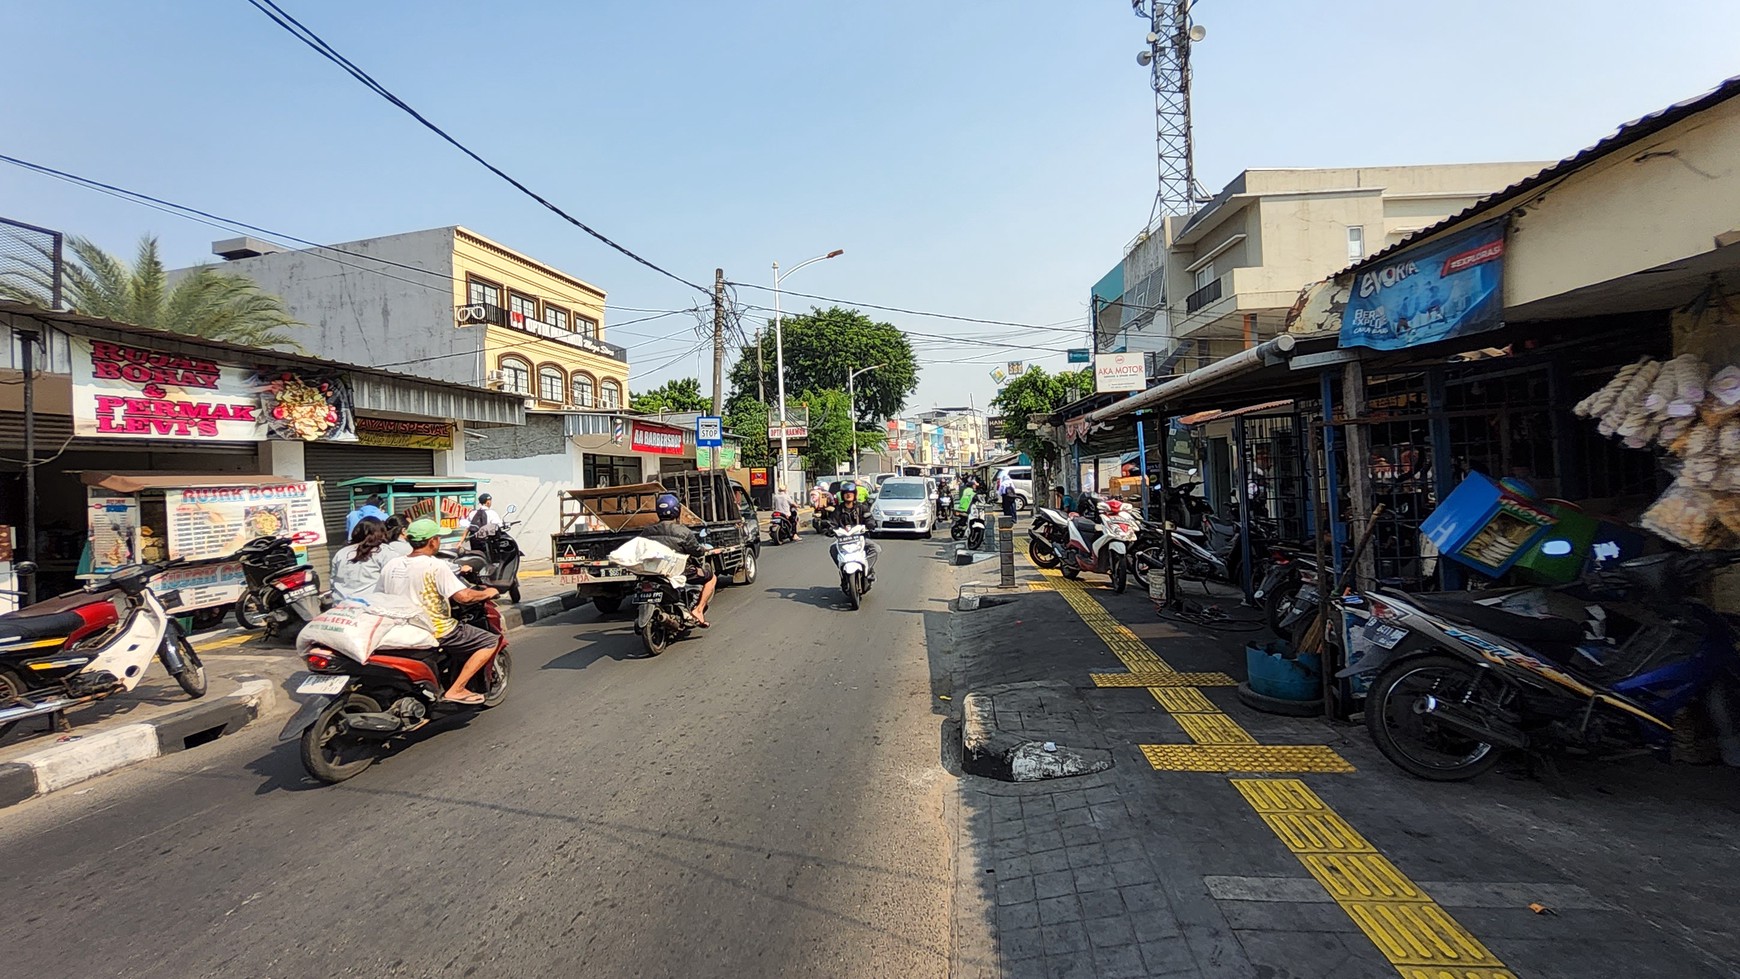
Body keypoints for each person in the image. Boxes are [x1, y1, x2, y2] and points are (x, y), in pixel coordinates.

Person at [378, 518, 501, 706]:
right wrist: (487, 592)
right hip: (437, 628)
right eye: (438, 537)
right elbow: (463, 597)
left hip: (399, 627)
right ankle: (457, 689)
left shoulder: (391, 565)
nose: (439, 541)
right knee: (490, 641)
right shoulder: (435, 566)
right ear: (432, 541)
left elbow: (380, 596)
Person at [638, 493, 716, 628]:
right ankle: (698, 610)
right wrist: (703, 550)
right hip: (680, 571)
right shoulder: (683, 531)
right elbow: (696, 551)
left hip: (653, 571)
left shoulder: (647, 531)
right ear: (677, 511)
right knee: (711, 577)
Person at [832, 483, 882, 578]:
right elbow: (832, 522)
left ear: (855, 494)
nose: (848, 495)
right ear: (842, 495)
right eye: (846, 493)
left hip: (861, 539)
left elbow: (869, 518)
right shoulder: (838, 510)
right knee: (833, 549)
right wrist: (829, 528)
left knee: (876, 548)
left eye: (851, 492)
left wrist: (870, 524)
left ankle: (868, 569)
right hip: (843, 540)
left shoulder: (862, 507)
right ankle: (842, 569)